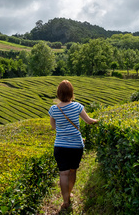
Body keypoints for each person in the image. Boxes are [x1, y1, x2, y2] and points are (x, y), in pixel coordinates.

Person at [48, 80, 98, 211]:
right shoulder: (78, 107)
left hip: (60, 146)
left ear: (58, 93)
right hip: (76, 145)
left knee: (63, 174)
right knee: (72, 171)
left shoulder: (53, 109)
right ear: (71, 93)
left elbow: (53, 127)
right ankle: (69, 192)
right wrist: (98, 120)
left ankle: (65, 201)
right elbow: (88, 121)